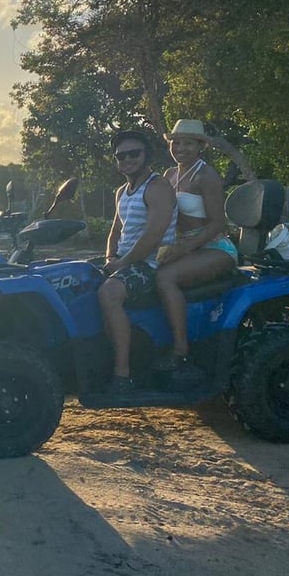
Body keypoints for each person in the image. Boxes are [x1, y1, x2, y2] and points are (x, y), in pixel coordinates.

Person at [155, 119, 238, 379]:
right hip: (183, 245)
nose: (180, 148)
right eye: (176, 143)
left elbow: (216, 223)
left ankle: (181, 350)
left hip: (213, 246)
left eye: (188, 143)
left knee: (165, 277)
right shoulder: (170, 175)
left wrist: (184, 249)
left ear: (200, 146)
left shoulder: (206, 176)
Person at [98, 129, 178, 390]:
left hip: (151, 263)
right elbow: (116, 230)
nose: (127, 159)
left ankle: (122, 374)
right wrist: (111, 256)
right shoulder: (122, 191)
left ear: (147, 155)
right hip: (126, 260)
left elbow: (154, 234)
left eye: (134, 153)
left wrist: (123, 263)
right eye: (121, 156)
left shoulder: (157, 187)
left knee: (110, 292)